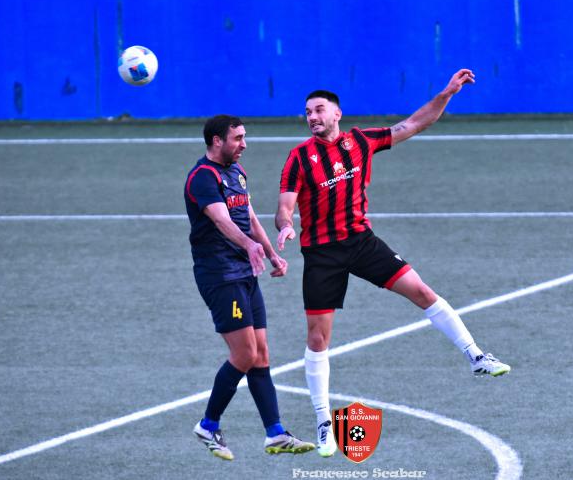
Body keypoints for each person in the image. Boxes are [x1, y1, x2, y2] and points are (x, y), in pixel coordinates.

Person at [275, 69, 511, 457]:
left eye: (318, 110)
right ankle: (322, 422)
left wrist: (447, 93)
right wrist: (285, 225)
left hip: (361, 242)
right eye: (307, 112)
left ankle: (476, 356)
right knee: (318, 338)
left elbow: (415, 123)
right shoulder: (299, 158)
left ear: (337, 113)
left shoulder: (361, 141)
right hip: (322, 253)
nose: (312, 117)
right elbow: (285, 206)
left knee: (422, 291)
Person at [185, 114, 315, 460]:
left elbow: (250, 217)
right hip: (220, 276)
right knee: (245, 354)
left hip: (244, 272)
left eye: (244, 137)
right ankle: (208, 425)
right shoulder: (203, 177)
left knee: (261, 354)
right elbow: (221, 219)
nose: (244, 144)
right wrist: (249, 245)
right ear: (217, 141)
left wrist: (270, 253)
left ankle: (275, 433)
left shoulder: (237, 173)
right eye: (237, 138)